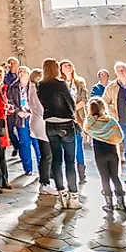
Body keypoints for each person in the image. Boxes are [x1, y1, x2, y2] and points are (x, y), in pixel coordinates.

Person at [38, 58, 80, 209]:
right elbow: (70, 102)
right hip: (65, 123)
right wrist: (72, 114)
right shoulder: (60, 83)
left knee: (56, 160)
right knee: (70, 160)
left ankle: (61, 192)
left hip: (50, 124)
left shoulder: (41, 85)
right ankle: (73, 196)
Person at [83, 97, 126, 213]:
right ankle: (121, 203)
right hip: (112, 151)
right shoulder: (110, 120)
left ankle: (109, 203)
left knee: (104, 178)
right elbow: (120, 135)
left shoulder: (90, 123)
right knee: (115, 177)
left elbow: (86, 130)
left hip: (100, 153)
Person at [102, 61, 126, 183]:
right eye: (118, 70)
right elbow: (104, 102)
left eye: (123, 69)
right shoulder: (111, 87)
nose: (121, 72)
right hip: (121, 121)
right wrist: (112, 114)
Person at [60, 60, 88, 184]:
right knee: (64, 146)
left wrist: (72, 109)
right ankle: (68, 172)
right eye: (65, 65)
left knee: (78, 145)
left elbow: (84, 99)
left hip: (77, 117)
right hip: (63, 118)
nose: (68, 67)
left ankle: (82, 172)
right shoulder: (59, 83)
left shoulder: (79, 82)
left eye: (70, 65)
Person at [28, 68, 53, 197]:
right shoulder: (34, 89)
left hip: (41, 122)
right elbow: (37, 106)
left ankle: (47, 179)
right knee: (46, 155)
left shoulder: (36, 88)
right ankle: (44, 183)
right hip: (41, 123)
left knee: (47, 154)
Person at [7, 65, 35, 176]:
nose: (22, 73)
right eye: (20, 71)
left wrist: (31, 112)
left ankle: (42, 167)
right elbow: (10, 100)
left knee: (37, 143)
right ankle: (28, 168)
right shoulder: (13, 87)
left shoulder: (34, 86)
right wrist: (18, 111)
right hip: (20, 118)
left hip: (32, 118)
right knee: (24, 143)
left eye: (24, 71)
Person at [4, 57, 22, 152]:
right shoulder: (5, 77)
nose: (11, 65)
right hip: (10, 106)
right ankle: (17, 146)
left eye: (13, 63)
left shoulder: (21, 75)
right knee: (10, 128)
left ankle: (21, 145)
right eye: (10, 63)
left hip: (20, 106)